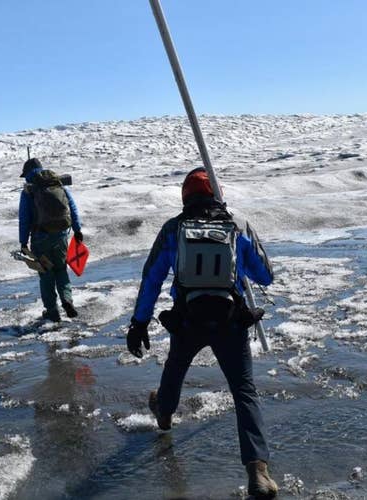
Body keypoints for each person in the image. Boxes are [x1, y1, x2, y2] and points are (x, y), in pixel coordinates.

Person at [126, 167, 279, 498]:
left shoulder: (173, 228)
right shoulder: (237, 225)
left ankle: (164, 414)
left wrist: (139, 323)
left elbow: (151, 277)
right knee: (243, 390)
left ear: (185, 196)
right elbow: (266, 276)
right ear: (217, 193)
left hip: (188, 319)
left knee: (176, 368)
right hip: (230, 320)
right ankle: (258, 471)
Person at [19, 157, 83, 322]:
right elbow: (72, 207)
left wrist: (23, 241)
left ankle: (52, 311)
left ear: (27, 173)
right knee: (61, 270)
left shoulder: (28, 190)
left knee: (46, 274)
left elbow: (24, 218)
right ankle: (67, 300)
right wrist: (77, 229)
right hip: (61, 235)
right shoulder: (57, 183)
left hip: (40, 238)